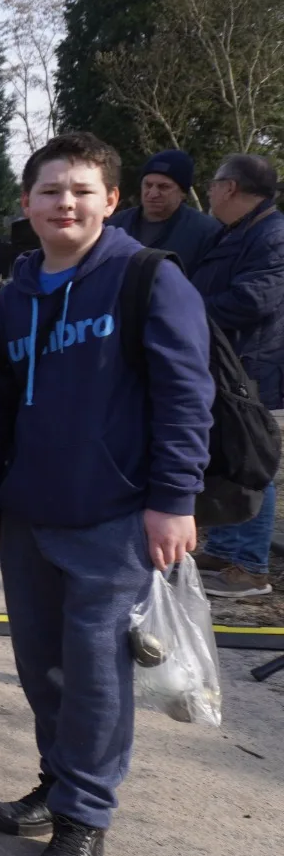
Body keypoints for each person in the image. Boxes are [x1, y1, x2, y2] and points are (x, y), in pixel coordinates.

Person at [0, 131, 213, 856]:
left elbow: (187, 395)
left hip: (116, 517)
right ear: (27, 203)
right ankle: (59, 779)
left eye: (82, 190)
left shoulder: (148, 278)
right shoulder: (15, 296)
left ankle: (85, 814)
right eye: (50, 191)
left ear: (111, 201)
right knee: (42, 668)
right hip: (28, 515)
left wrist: (173, 500)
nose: (65, 203)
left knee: (96, 676)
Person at [190, 153, 284, 599]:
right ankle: (226, 548)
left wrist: (183, 310)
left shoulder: (272, 235)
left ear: (230, 187)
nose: (209, 191)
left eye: (213, 183)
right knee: (226, 454)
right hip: (228, 363)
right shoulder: (236, 231)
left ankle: (250, 566)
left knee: (249, 458)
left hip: (253, 365)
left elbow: (253, 300)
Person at [107, 149, 219, 273]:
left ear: (182, 193)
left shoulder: (206, 232)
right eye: (148, 185)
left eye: (164, 187)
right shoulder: (116, 225)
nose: (153, 193)